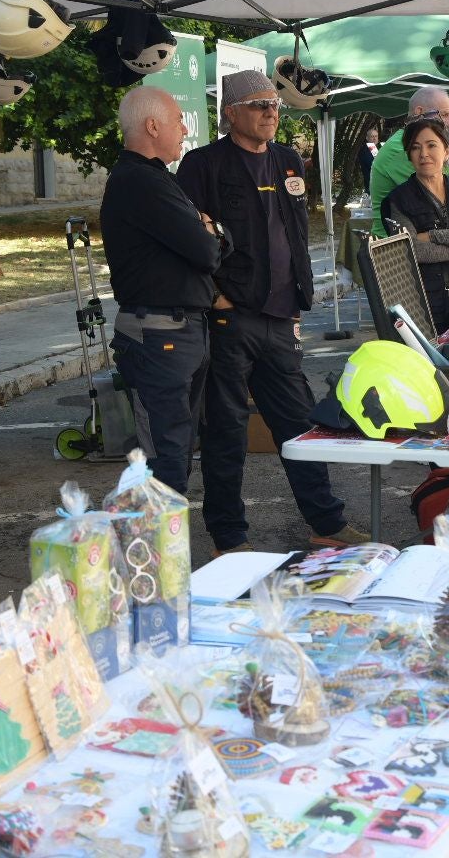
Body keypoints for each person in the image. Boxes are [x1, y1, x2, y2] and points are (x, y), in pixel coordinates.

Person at [178, 70, 366, 554]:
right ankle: (229, 535)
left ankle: (326, 521)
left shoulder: (287, 161)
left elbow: (293, 236)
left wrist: (299, 298)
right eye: (259, 104)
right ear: (230, 112)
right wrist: (215, 297)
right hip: (230, 317)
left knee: (300, 427)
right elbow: (187, 244)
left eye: (275, 105)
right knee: (225, 430)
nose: (270, 112)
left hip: (281, 318)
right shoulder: (203, 165)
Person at [101, 87, 229, 497]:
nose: (185, 128)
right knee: (165, 458)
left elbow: (210, 243)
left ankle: (165, 549)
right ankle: (155, 555)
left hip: (179, 332)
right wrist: (209, 229)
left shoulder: (157, 179)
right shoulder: (139, 182)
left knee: (177, 450)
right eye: (177, 120)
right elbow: (208, 250)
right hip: (159, 337)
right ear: (152, 126)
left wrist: (209, 231)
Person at [378, 117, 449, 332]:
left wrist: (432, 236)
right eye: (415, 148)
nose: (423, 154)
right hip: (424, 300)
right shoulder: (398, 200)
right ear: (409, 155)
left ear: (447, 150)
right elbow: (415, 250)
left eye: (431, 145)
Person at [370, 88, 449, 237]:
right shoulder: (402, 148)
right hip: (393, 250)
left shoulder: (405, 143)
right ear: (419, 112)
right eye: (444, 114)